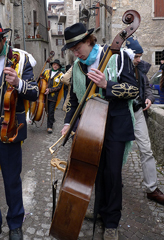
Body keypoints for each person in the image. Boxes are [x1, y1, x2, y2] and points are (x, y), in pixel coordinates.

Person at [61, 22, 139, 240]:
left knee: (113, 174)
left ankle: (112, 221)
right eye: (72, 50)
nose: (76, 53)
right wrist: (68, 123)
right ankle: (99, 211)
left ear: (89, 40)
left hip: (116, 123)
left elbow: (133, 90)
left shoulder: (118, 55)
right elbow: (75, 100)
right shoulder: (78, 66)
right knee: (96, 170)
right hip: (91, 125)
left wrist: (107, 85)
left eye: (78, 47)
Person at [0, 24, 38, 240]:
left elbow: (34, 92)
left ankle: (15, 222)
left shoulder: (21, 59)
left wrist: (18, 82)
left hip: (10, 127)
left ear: (3, 40)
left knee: (12, 179)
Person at [125, 36, 164, 204]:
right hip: (122, 113)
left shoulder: (140, 68)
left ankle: (152, 188)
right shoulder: (118, 67)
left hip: (138, 111)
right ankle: (113, 182)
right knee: (118, 151)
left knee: (146, 150)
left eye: (140, 56)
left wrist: (149, 99)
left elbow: (147, 87)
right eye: (136, 56)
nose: (139, 60)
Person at [41, 59, 64, 133]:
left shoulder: (61, 75)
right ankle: (52, 119)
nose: (55, 66)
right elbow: (41, 78)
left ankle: (49, 126)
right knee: (46, 110)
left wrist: (50, 90)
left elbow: (59, 87)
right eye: (54, 64)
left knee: (51, 111)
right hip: (43, 95)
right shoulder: (46, 71)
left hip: (53, 96)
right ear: (52, 65)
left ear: (59, 66)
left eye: (57, 65)